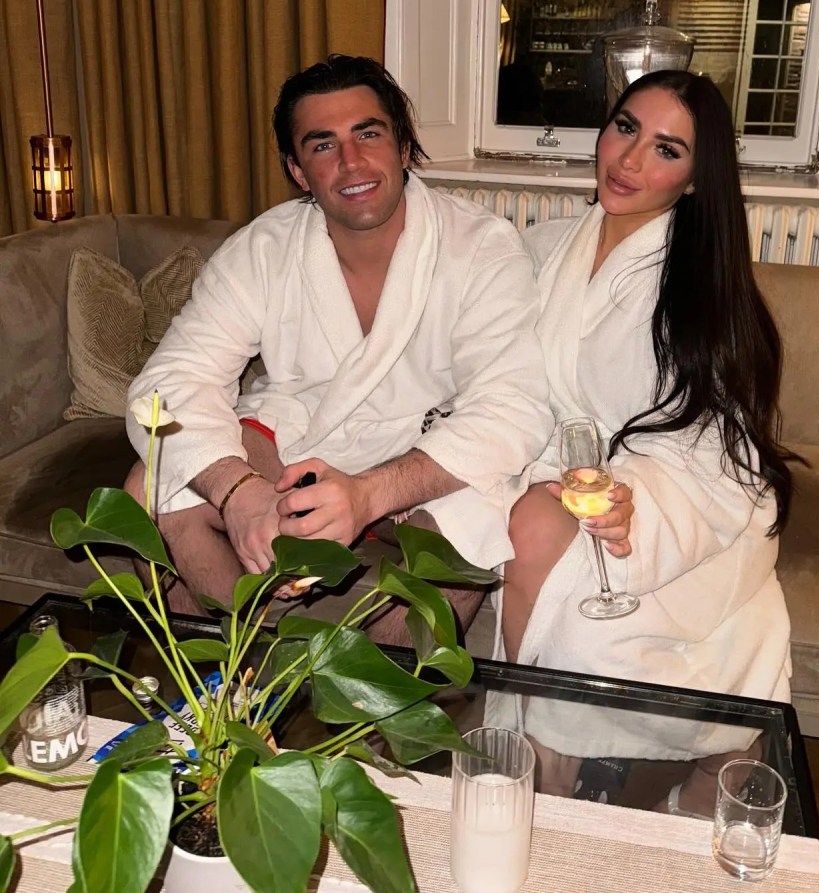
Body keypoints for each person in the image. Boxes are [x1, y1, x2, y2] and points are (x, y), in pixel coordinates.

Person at [124, 55, 553, 636]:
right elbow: (169, 381)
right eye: (322, 145)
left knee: (466, 529)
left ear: (403, 147)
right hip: (307, 434)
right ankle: (231, 680)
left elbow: (512, 408)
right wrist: (238, 494)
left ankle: (375, 714)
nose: (352, 162)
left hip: (429, 448)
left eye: (368, 134)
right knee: (149, 485)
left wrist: (369, 493)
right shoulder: (263, 249)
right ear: (299, 171)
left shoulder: (481, 248)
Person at [490, 70, 796, 814]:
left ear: (696, 178)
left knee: (550, 547)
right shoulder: (539, 248)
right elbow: (490, 368)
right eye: (625, 127)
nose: (629, 161)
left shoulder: (703, 287)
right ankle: (538, 750)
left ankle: (549, 761)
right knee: (523, 519)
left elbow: (715, 442)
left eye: (666, 149)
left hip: (681, 492)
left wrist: (640, 508)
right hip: (557, 469)